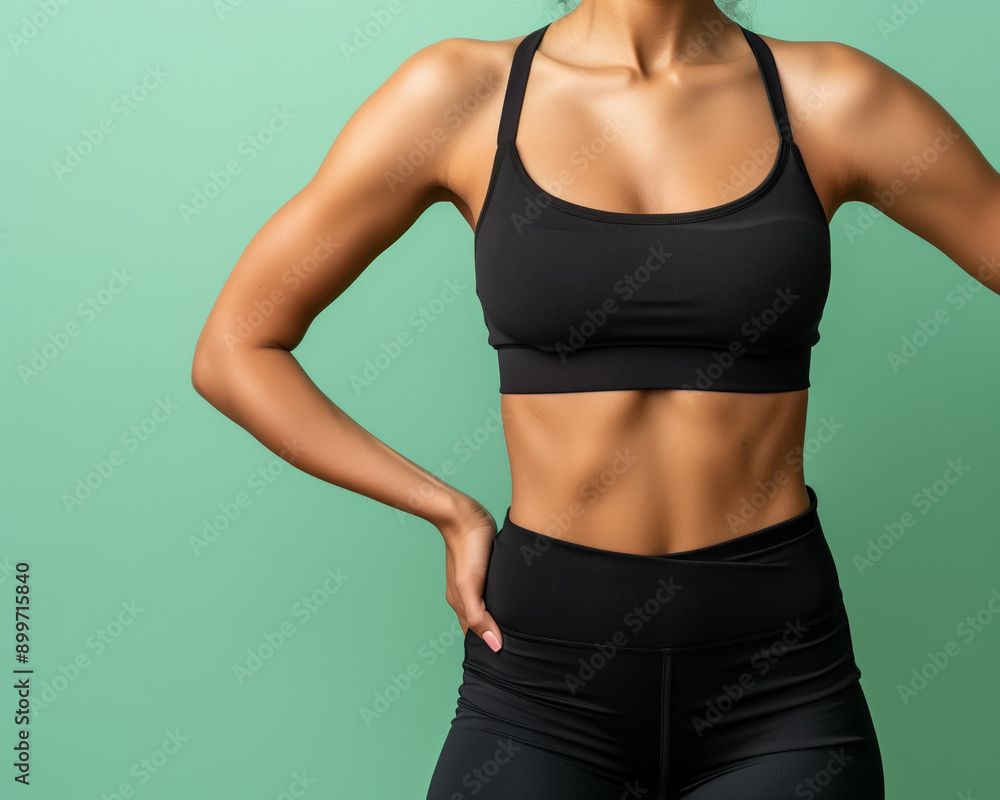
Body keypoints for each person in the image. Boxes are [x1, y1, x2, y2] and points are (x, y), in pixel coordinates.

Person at [191, 0, 1000, 796]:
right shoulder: (461, 92)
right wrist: (446, 508)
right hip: (539, 681)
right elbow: (234, 350)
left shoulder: (831, 96)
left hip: (780, 681)